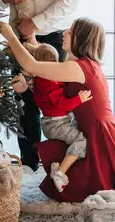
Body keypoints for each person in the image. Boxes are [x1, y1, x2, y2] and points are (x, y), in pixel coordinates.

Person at [0, 17, 115, 203]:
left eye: (70, 31)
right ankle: (61, 172)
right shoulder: (83, 64)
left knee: (94, 185)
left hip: (100, 133)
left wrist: (12, 37)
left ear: (80, 39)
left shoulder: (77, 67)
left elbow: (32, 66)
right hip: (101, 128)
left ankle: (61, 173)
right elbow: (44, 64)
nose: (65, 33)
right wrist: (31, 40)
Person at [0, 0, 84, 171]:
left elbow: (68, 2)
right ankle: (30, 163)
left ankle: (56, 163)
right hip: (19, 38)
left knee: (52, 105)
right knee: (21, 101)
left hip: (52, 39)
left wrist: (34, 24)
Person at [10, 42, 92, 192]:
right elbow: (61, 104)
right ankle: (60, 172)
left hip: (55, 121)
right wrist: (79, 99)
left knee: (76, 138)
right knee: (82, 141)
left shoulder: (42, 79)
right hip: (56, 124)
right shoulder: (48, 82)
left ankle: (59, 166)